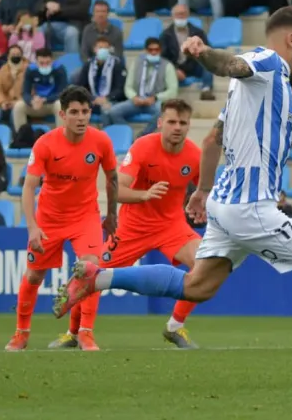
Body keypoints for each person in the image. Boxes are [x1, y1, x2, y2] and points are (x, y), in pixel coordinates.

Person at [53, 7, 292, 379]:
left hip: (226, 204)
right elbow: (231, 65)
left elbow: (213, 138)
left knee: (196, 286)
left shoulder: (249, 90)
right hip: (250, 207)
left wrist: (201, 191)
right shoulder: (267, 62)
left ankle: (97, 278)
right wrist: (203, 54)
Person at [54, 99, 204, 350]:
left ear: (188, 126)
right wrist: (144, 195)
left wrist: (202, 202)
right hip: (133, 227)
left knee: (205, 266)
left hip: (172, 226)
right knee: (94, 272)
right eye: (171, 122)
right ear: (160, 123)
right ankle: (79, 333)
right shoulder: (143, 148)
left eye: (182, 122)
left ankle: (175, 327)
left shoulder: (194, 155)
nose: (177, 127)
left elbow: (206, 190)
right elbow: (117, 190)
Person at [5, 85, 118, 351]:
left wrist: (112, 214)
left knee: (92, 269)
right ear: (62, 115)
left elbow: (113, 179)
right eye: (75, 112)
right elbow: (29, 186)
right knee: (34, 277)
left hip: (85, 216)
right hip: (49, 218)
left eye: (86, 112)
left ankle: (85, 334)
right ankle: (21, 333)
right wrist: (32, 227)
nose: (81, 118)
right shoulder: (45, 143)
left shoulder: (101, 141)